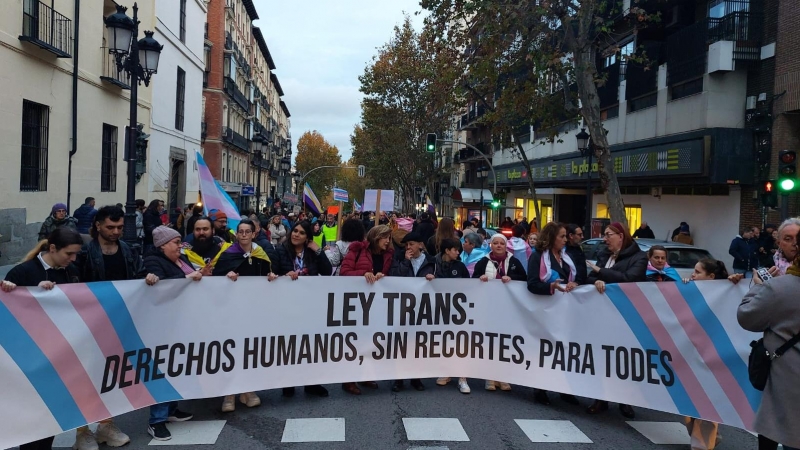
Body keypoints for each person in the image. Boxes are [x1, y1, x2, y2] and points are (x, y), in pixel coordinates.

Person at [71, 206, 151, 449]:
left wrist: (148, 278)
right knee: (85, 376)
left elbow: (137, 276)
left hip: (118, 323)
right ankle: (82, 430)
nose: (116, 232)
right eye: (110, 227)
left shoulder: (128, 250)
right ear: (97, 225)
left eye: (119, 228)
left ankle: (106, 425)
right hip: (88, 324)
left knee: (111, 374)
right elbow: (72, 284)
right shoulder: (84, 252)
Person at [1, 228, 89, 450]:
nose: (73, 259)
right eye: (69, 254)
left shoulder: (72, 271)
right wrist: (27, 293)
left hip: (59, 357)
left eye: (76, 254)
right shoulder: (22, 273)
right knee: (32, 420)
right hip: (30, 361)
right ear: (52, 249)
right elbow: (11, 316)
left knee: (50, 419)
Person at [213, 219, 277, 412]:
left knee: (250, 350)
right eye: (240, 231)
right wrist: (226, 276)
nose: (243, 235)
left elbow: (268, 273)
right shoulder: (227, 254)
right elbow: (216, 276)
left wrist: (271, 277)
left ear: (253, 234)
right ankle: (229, 394)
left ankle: (247, 390)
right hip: (232, 309)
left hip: (253, 309)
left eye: (247, 232)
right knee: (232, 348)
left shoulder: (261, 254)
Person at [585, 222, 647, 419]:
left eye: (608, 234)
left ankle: (626, 400)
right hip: (602, 315)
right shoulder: (604, 255)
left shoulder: (639, 257)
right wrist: (595, 280)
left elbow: (629, 279)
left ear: (621, 236)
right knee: (604, 356)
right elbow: (588, 277)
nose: (605, 239)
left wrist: (601, 273)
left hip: (626, 315)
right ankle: (601, 398)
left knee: (625, 358)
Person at [141, 226, 198, 441]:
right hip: (163, 325)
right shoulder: (153, 261)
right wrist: (188, 279)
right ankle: (156, 421)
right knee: (162, 369)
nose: (180, 246)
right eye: (176, 242)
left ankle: (171, 409)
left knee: (177, 366)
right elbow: (165, 289)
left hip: (181, 322)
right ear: (163, 245)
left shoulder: (181, 259)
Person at [738, 261, 800, 450]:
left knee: (781, 429)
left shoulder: (780, 288)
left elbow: (747, 316)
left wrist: (759, 287)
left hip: (788, 376)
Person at [273, 221, 332, 398]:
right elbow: (273, 273)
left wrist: (318, 250)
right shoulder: (281, 251)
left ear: (308, 237)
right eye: (295, 231)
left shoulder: (311, 253)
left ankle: (312, 383)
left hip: (310, 304)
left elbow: (327, 271)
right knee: (289, 344)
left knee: (311, 344)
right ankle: (288, 383)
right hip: (288, 305)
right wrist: (284, 276)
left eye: (301, 232)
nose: (296, 234)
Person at [525, 222, 580, 406]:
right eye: (562, 236)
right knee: (545, 350)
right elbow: (532, 283)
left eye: (566, 236)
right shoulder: (538, 257)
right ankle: (540, 388)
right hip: (546, 309)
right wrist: (551, 286)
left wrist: (576, 283)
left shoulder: (567, 257)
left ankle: (564, 388)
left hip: (566, 311)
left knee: (564, 349)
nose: (566, 240)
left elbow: (580, 277)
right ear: (551, 238)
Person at [339, 224, 393, 395]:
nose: (388, 241)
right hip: (356, 303)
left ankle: (365, 375)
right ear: (377, 238)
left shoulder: (389, 254)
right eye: (385, 238)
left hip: (376, 304)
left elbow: (394, 275)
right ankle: (348, 380)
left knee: (371, 340)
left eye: (389, 238)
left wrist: (384, 277)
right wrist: (363, 275)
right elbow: (344, 272)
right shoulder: (357, 250)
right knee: (355, 341)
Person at [473, 233, 526, 392]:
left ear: (505, 246)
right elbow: (472, 280)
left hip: (508, 308)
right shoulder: (483, 262)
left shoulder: (514, 262)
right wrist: (480, 278)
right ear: (491, 245)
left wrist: (512, 278)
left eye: (501, 243)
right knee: (490, 341)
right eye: (495, 243)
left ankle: (503, 376)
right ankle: (490, 377)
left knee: (505, 342)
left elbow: (524, 279)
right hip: (488, 307)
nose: (498, 246)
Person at [389, 231, 436, 392]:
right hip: (403, 305)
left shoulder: (432, 261)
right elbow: (394, 276)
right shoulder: (400, 259)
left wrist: (433, 277)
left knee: (418, 343)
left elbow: (441, 280)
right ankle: (399, 378)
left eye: (411, 244)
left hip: (422, 307)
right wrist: (405, 262)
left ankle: (416, 377)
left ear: (421, 245)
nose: (408, 247)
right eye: (406, 245)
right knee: (401, 342)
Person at [431, 238, 472, 394]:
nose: (458, 252)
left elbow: (469, 286)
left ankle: (462, 377)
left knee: (460, 341)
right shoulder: (434, 265)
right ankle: (446, 371)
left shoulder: (460, 266)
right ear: (447, 250)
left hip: (458, 310)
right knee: (444, 340)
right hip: (440, 309)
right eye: (455, 250)